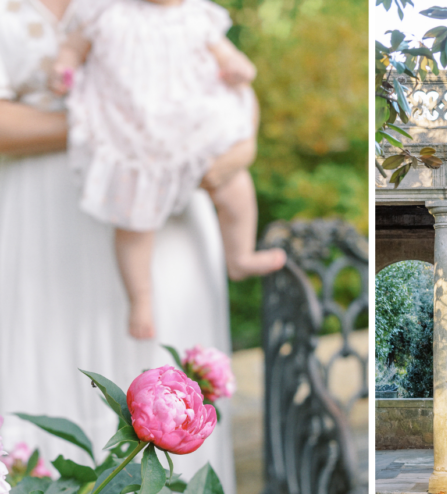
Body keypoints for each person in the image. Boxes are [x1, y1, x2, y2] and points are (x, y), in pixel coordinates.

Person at [0, 0, 237, 494]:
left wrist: (237, 144)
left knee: (160, 373)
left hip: (166, 221)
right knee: (42, 372)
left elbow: (233, 90)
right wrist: (113, 121)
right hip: (39, 226)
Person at [51, 0, 286, 339]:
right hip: (134, 131)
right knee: (134, 221)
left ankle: (240, 255)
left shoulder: (195, 16)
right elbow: (72, 47)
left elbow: (228, 55)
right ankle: (141, 300)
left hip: (190, 126)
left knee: (234, 186)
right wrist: (63, 69)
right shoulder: (106, 12)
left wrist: (239, 68)